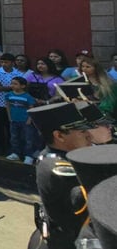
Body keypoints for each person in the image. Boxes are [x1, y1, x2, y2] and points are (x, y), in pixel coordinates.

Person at [27, 102, 94, 249]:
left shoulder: (64, 156)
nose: (89, 135)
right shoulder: (59, 168)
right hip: (66, 242)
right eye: (82, 131)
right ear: (59, 136)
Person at [6, 77, 39, 164]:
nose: (12, 85)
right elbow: (8, 106)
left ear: (23, 86)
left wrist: (29, 119)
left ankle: (29, 155)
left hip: (25, 120)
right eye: (12, 83)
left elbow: (31, 108)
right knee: (14, 137)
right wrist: (10, 117)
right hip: (14, 120)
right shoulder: (9, 95)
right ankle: (16, 153)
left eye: (15, 84)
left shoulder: (27, 97)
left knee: (28, 138)